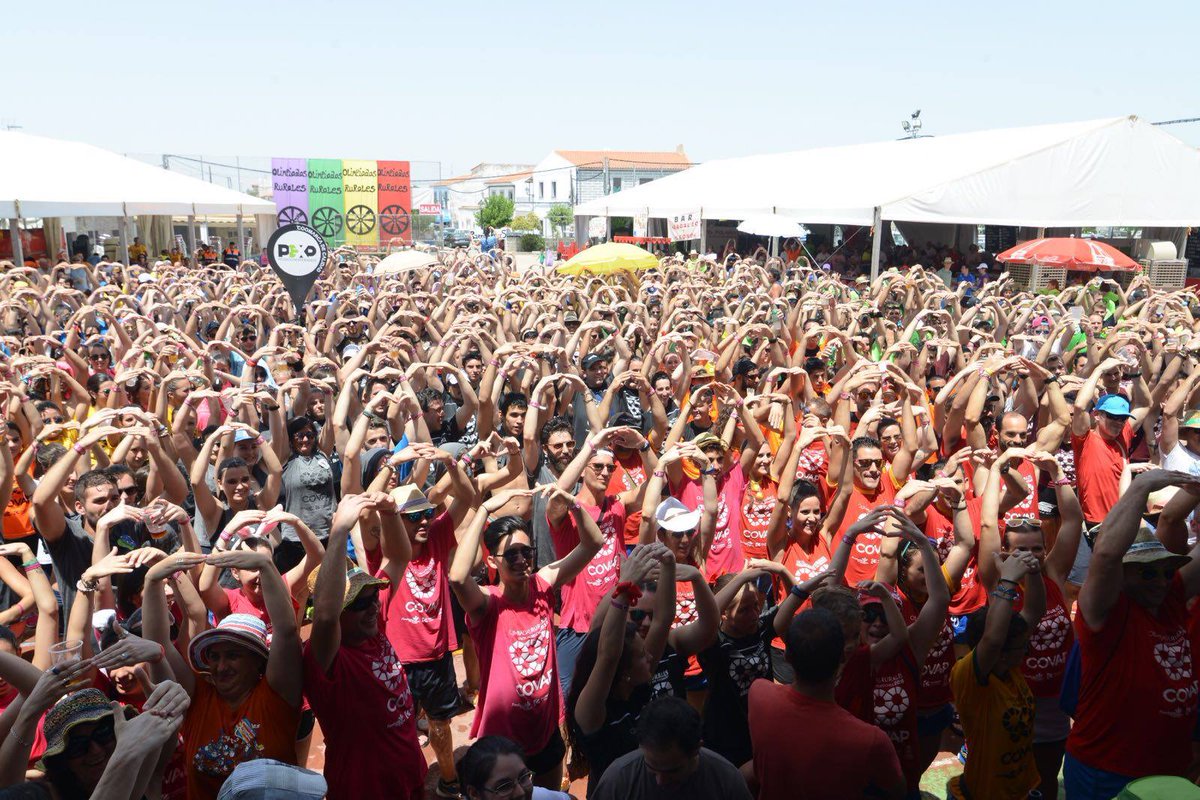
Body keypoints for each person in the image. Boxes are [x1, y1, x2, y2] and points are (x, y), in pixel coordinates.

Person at [450, 487, 604, 789]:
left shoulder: (543, 584)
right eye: (511, 554)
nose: (521, 559)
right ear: (492, 562)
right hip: (503, 736)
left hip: (544, 728)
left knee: (547, 792)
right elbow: (457, 577)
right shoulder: (487, 604)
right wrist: (483, 511)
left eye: (526, 551)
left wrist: (572, 503)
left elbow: (593, 543)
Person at [1065, 469, 1200, 797]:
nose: (1160, 580)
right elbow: (1108, 554)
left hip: (1169, 770)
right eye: (1146, 572)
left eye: (1166, 571)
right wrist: (1141, 486)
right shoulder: (1106, 615)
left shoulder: (1169, 597)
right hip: (1107, 772)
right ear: (1122, 576)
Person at [304, 491, 427, 800]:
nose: (373, 605)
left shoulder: (371, 624)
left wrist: (389, 512)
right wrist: (339, 532)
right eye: (359, 602)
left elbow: (399, 558)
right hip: (365, 789)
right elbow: (326, 614)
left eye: (373, 595)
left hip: (409, 776)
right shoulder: (327, 657)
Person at [748, 608, 904, 800]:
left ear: (787, 655)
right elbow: (898, 790)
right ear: (843, 656)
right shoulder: (870, 740)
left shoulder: (759, 694)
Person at [947, 549, 1044, 799]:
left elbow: (1034, 612)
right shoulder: (971, 676)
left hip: (1019, 787)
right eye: (1022, 647)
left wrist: (1032, 572)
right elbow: (993, 640)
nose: (1026, 650)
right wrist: (1008, 581)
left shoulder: (1008, 669)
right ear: (1001, 652)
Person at [589, 697, 751, 800]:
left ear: (696, 749)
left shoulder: (725, 779)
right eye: (651, 768)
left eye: (672, 771)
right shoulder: (619, 780)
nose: (660, 780)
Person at [458, 736, 572, 800]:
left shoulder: (538, 797)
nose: (520, 792)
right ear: (474, 794)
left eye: (523, 777)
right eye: (504, 786)